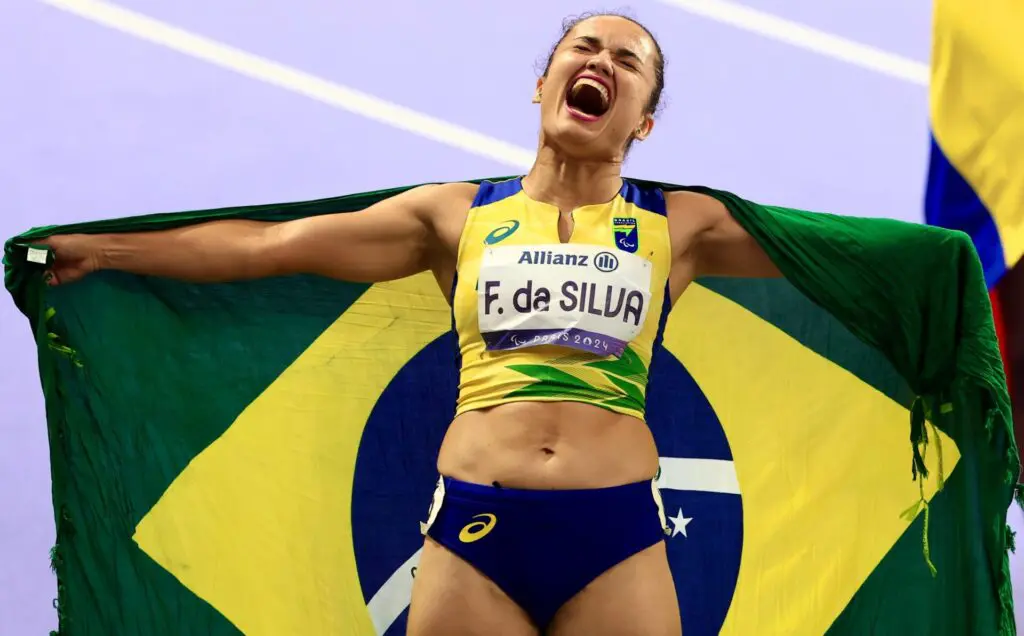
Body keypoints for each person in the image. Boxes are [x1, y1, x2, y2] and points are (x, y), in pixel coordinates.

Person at [41, 11, 779, 636]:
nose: (601, 62)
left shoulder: (680, 225)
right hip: (477, 528)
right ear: (542, 83)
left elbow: (853, 264)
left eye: (628, 60)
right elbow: (274, 246)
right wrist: (101, 251)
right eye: (583, 48)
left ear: (644, 120)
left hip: (616, 532)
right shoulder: (455, 215)